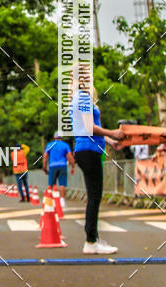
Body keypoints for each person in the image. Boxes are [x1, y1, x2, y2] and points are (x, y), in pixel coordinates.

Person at [70, 76, 124, 255]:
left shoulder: (78, 97)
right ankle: (91, 241)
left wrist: (108, 140)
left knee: (94, 196)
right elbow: (89, 127)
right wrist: (113, 133)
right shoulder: (83, 97)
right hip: (89, 150)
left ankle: (92, 239)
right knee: (95, 196)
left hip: (88, 149)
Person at [43, 132, 75, 210]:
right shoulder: (65, 145)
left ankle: (50, 200)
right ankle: (62, 200)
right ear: (62, 137)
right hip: (62, 165)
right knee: (62, 184)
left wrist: (44, 167)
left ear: (54, 137)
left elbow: (45, 157)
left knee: (51, 184)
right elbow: (70, 157)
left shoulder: (50, 145)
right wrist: (73, 166)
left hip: (52, 166)